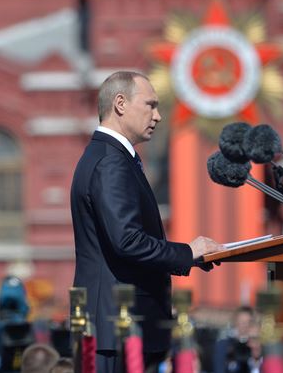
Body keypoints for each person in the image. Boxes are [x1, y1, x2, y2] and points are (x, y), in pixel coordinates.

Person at [70, 71, 223, 372]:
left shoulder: (108, 156)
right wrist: (187, 252)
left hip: (115, 326)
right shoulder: (112, 162)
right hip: (117, 327)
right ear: (120, 103)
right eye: (150, 105)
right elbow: (126, 240)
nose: (158, 116)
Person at [212, 306, 258, 373]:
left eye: (248, 322)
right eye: (241, 321)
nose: (244, 325)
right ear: (235, 322)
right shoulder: (223, 345)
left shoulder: (256, 346)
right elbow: (218, 369)